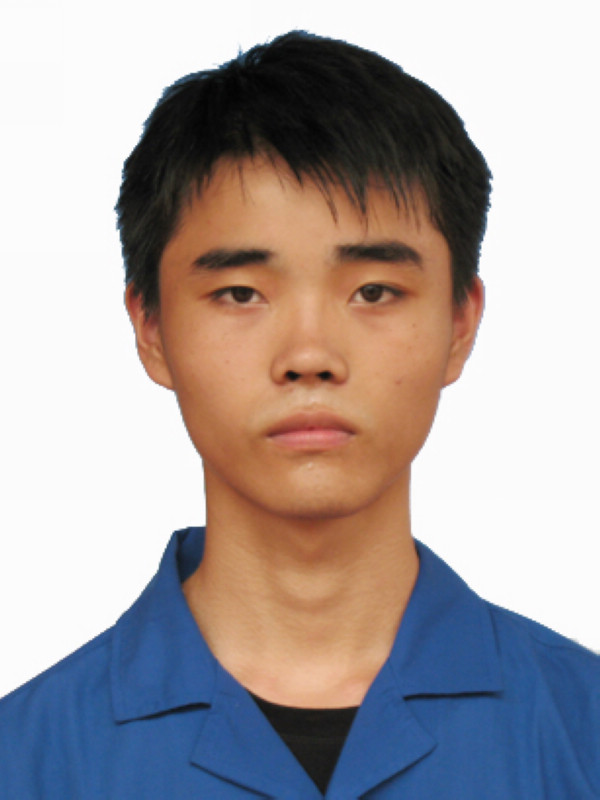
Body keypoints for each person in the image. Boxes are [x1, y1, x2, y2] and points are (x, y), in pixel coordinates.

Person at [0, 30, 598, 799]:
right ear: (150, 327)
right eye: (241, 293)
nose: (309, 355)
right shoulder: (26, 761)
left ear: (460, 323)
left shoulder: (582, 731)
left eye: (374, 291)